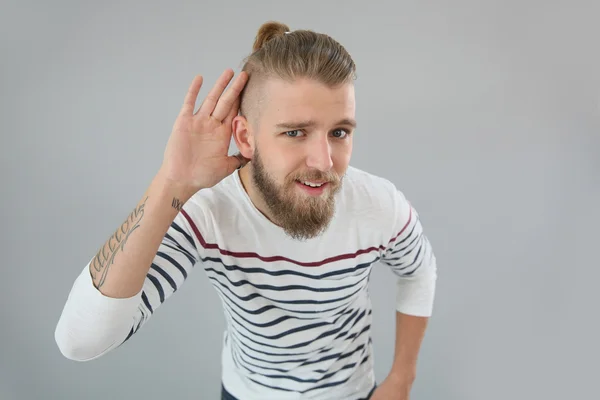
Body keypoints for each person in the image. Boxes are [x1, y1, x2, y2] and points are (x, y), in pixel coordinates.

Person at [54, 21, 438, 400]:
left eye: (339, 132)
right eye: (294, 132)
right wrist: (170, 183)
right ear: (245, 136)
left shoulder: (379, 204)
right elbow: (79, 342)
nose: (324, 162)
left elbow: (419, 270)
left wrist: (401, 379)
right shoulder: (207, 210)